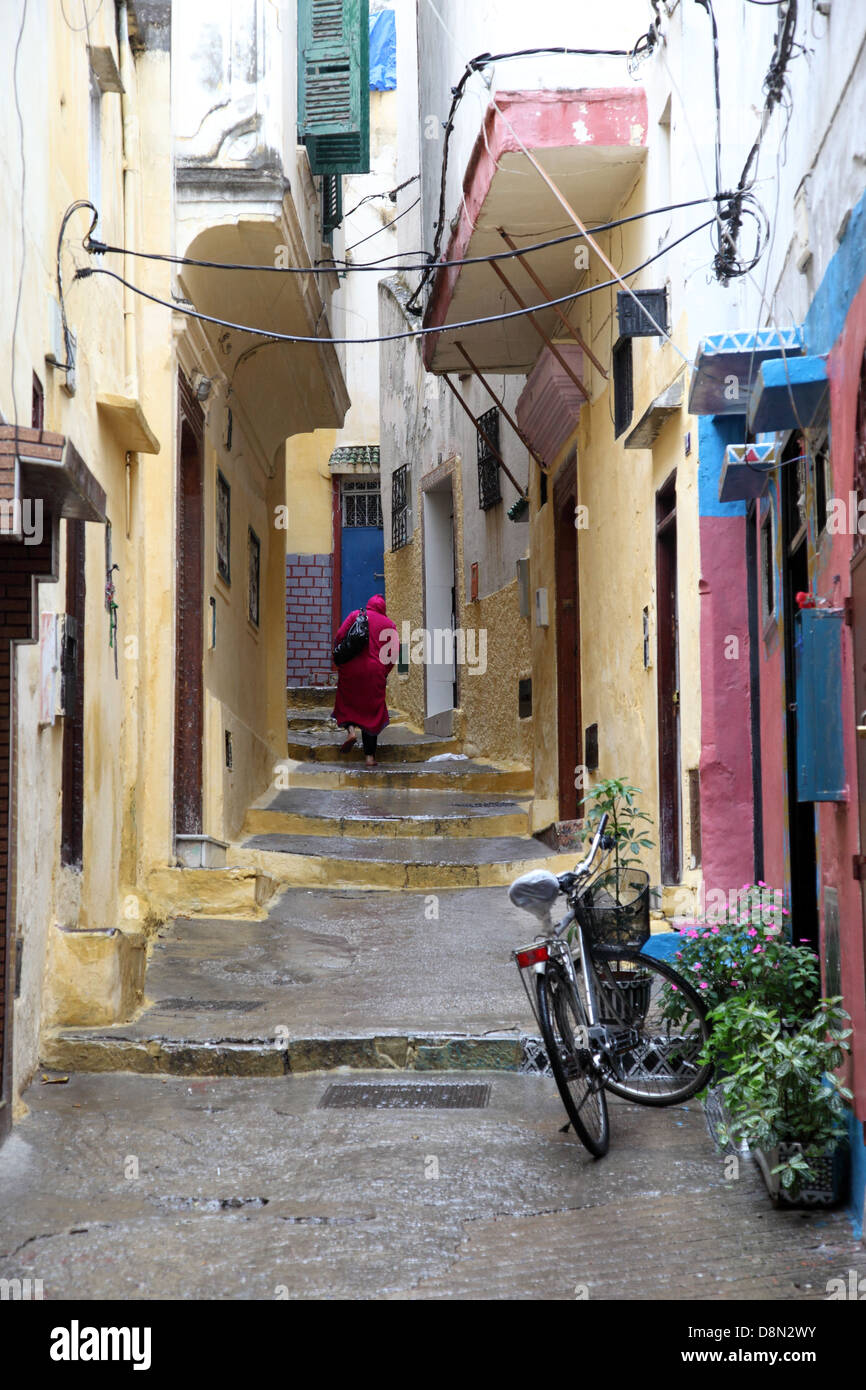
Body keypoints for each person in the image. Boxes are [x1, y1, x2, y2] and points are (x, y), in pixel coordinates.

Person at [332, 594, 398, 767]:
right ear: (383, 608)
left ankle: (351, 732)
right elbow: (394, 654)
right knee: (372, 712)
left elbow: (339, 636)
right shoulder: (390, 625)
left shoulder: (356, 615)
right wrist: (384, 672)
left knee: (347, 702)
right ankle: (369, 758)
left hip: (351, 668)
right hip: (375, 671)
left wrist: (343, 657)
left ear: (368, 605)